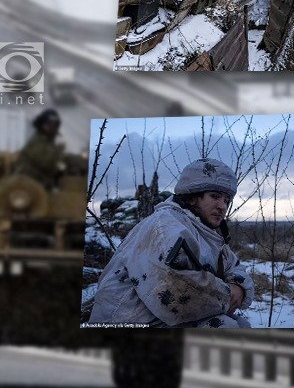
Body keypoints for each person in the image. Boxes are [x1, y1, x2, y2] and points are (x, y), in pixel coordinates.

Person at [89, 158, 254, 328]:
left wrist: (239, 287)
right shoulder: (165, 226)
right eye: (215, 196)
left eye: (226, 200)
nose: (222, 206)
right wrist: (228, 296)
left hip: (164, 319)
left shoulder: (207, 234)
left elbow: (234, 266)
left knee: (241, 324)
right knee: (225, 327)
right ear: (191, 198)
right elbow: (177, 287)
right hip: (129, 321)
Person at [14, 109, 66, 189]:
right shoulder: (37, 141)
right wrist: (59, 151)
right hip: (29, 182)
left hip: (42, 182)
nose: (52, 127)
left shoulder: (50, 141)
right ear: (42, 124)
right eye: (49, 124)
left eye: (54, 125)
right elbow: (45, 162)